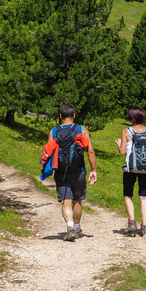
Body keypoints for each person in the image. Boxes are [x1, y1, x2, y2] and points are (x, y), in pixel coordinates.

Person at [46, 103, 97, 241]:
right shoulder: (81, 129)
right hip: (78, 170)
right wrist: (93, 169)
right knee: (77, 201)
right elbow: (90, 151)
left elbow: (48, 152)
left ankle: (69, 228)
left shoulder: (54, 131)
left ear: (60, 116)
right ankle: (77, 227)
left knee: (65, 201)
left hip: (61, 171)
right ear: (74, 115)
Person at [116, 107, 146, 237]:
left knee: (128, 194)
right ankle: (144, 226)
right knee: (144, 196)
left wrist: (119, 145)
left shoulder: (126, 131)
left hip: (131, 169)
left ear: (131, 117)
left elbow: (122, 152)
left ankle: (132, 223)